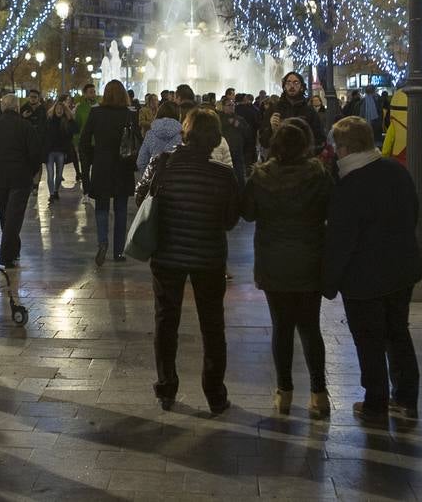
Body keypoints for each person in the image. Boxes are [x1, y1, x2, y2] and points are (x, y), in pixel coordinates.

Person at [138, 107, 240, 414]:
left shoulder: (162, 163)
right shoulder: (224, 176)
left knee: (166, 320)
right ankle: (215, 394)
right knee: (213, 325)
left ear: (186, 133)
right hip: (208, 257)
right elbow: (231, 219)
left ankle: (166, 387)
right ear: (215, 140)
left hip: (167, 256)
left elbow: (139, 196)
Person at [322, 116, 422, 425]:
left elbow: (341, 239)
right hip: (402, 271)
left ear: (343, 149)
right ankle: (406, 399)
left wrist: (328, 282)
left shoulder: (349, 185)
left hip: (364, 278)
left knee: (369, 340)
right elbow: (414, 213)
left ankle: (375, 403)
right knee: (398, 333)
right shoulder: (396, 171)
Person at [243, 118, 332, 418]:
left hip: (274, 262)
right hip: (310, 259)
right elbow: (331, 209)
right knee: (310, 327)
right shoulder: (318, 175)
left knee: (281, 327)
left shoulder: (261, 177)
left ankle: (284, 393)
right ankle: (319, 394)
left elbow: (248, 212)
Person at [79, 79, 139, 265]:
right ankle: (118, 251)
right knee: (121, 210)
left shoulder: (96, 112)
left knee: (102, 207)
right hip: (123, 166)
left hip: (102, 165)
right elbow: (136, 140)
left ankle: (102, 242)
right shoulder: (130, 115)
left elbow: (84, 141)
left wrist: (88, 163)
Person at [0, 94, 39, 267]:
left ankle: (13, 249)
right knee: (14, 216)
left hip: (0, 177)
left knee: (6, 215)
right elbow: (35, 154)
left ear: (2, 107)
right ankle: (7, 255)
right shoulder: (26, 126)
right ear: (17, 108)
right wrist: (31, 171)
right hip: (21, 177)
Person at [258, 71, 324, 155]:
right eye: (288, 83)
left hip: (302, 163)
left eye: (296, 83)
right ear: (284, 86)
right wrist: (271, 129)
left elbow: (320, 140)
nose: (292, 86)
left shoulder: (309, 111)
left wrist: (306, 153)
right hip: (279, 162)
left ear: (301, 87)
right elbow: (263, 141)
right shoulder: (274, 109)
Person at [137, 100, 182, 176]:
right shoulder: (184, 135)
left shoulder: (150, 133)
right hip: (176, 181)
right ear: (178, 115)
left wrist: (150, 178)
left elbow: (141, 162)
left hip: (155, 180)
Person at [44, 101, 77, 202]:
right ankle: (52, 194)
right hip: (49, 151)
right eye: (57, 108)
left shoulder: (66, 121)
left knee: (59, 174)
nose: (59, 110)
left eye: (61, 109)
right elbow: (43, 135)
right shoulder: (49, 120)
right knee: (50, 174)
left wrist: (70, 118)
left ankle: (56, 190)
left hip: (61, 151)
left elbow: (75, 130)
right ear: (54, 109)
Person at [74, 83, 97, 199]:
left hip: (97, 143)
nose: (93, 94)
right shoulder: (81, 107)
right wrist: (76, 143)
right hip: (84, 143)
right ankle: (86, 192)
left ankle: (94, 190)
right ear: (85, 94)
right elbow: (77, 126)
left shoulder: (99, 106)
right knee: (85, 168)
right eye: (91, 92)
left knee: (97, 169)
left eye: (94, 91)